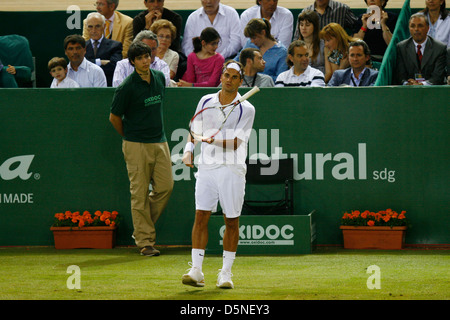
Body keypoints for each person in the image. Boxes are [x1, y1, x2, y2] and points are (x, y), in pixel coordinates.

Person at [181, 60, 255, 289]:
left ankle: (226, 273)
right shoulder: (205, 101)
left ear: (240, 81)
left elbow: (235, 143)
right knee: (200, 216)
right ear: (221, 77)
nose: (229, 80)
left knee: (231, 221)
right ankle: (196, 270)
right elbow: (194, 131)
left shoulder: (247, 108)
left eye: (234, 77)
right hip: (207, 168)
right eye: (226, 75)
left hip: (232, 169)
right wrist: (188, 151)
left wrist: (213, 139)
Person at [109, 41, 174, 257]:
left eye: (148, 56)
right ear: (133, 62)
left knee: (166, 187)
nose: (146, 61)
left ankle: (142, 227)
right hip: (135, 144)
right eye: (140, 58)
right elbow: (114, 118)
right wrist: (129, 137)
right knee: (139, 194)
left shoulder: (159, 78)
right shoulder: (126, 87)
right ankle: (145, 242)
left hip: (160, 141)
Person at [394, 13, 447, 85]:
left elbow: (438, 77)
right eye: (412, 26)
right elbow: (400, 76)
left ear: (428, 28)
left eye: (420, 26)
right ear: (409, 28)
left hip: (432, 91)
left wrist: (421, 84)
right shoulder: (401, 47)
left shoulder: (439, 48)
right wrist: (407, 83)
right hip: (408, 90)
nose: (416, 29)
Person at [235, 18, 288, 82]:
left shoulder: (282, 52)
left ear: (263, 32)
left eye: (254, 38)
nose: (252, 41)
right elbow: (236, 61)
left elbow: (280, 78)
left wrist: (258, 78)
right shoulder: (249, 44)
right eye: (250, 38)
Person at [84, 12, 123, 87]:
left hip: (107, 87)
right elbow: (79, 66)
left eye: (97, 26)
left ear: (104, 26)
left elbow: (114, 67)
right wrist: (99, 62)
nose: (94, 30)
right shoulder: (82, 47)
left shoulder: (115, 46)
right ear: (86, 28)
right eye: (90, 27)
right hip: (86, 89)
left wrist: (89, 64)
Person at [294, 0, 358, 40]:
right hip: (312, 53)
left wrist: (347, 41)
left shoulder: (342, 9)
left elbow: (357, 27)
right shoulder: (305, 12)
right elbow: (297, 38)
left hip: (336, 54)